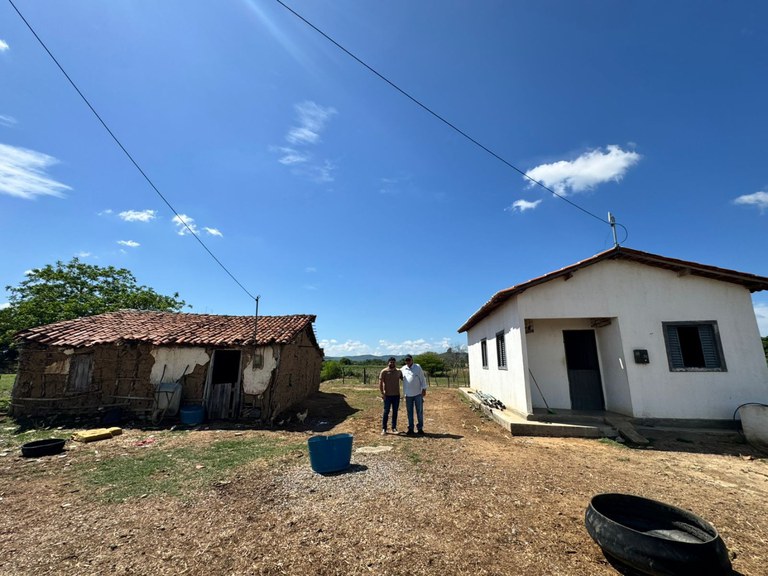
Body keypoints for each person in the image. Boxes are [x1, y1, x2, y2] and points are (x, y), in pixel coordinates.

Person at [402, 354, 427, 436]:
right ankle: (410, 429)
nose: (408, 361)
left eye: (409, 360)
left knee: (419, 411)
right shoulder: (403, 369)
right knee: (409, 412)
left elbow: (422, 378)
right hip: (408, 395)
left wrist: (424, 389)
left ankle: (420, 428)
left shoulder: (417, 367)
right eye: (406, 360)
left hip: (418, 394)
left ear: (412, 360)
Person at [379, 357, 402, 435]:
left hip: (396, 395)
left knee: (395, 412)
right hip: (387, 395)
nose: (392, 363)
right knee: (386, 412)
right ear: (388, 362)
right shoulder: (384, 371)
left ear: (395, 363)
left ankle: (394, 427)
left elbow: (405, 380)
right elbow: (381, 383)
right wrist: (382, 393)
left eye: (393, 362)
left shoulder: (399, 371)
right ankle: (384, 428)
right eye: (391, 362)